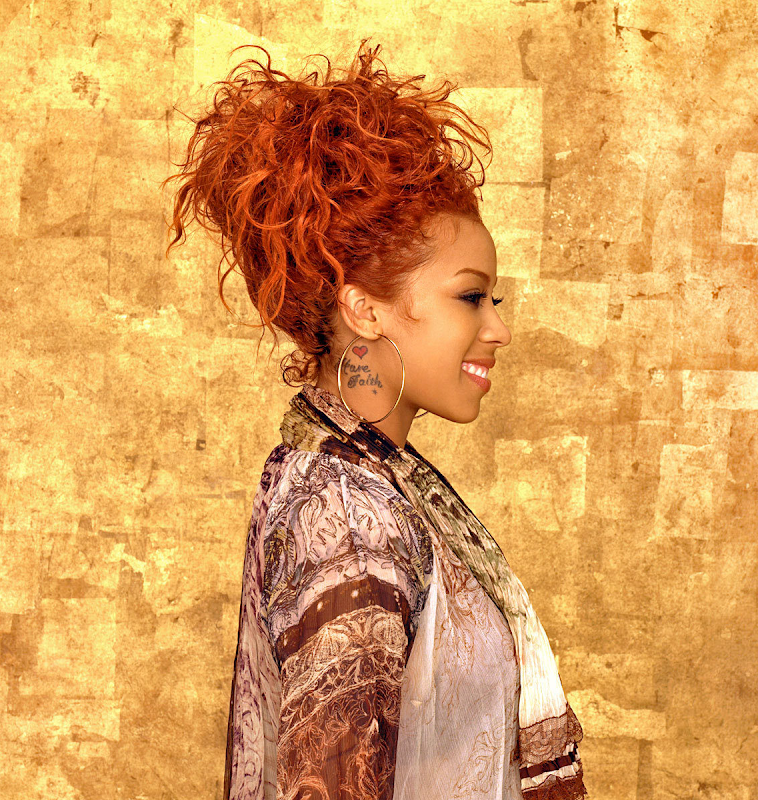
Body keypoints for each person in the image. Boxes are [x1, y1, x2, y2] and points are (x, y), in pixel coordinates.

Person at [163, 39, 588, 800]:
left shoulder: (371, 480)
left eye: (493, 300)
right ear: (363, 308)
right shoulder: (347, 511)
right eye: (471, 297)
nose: (498, 329)